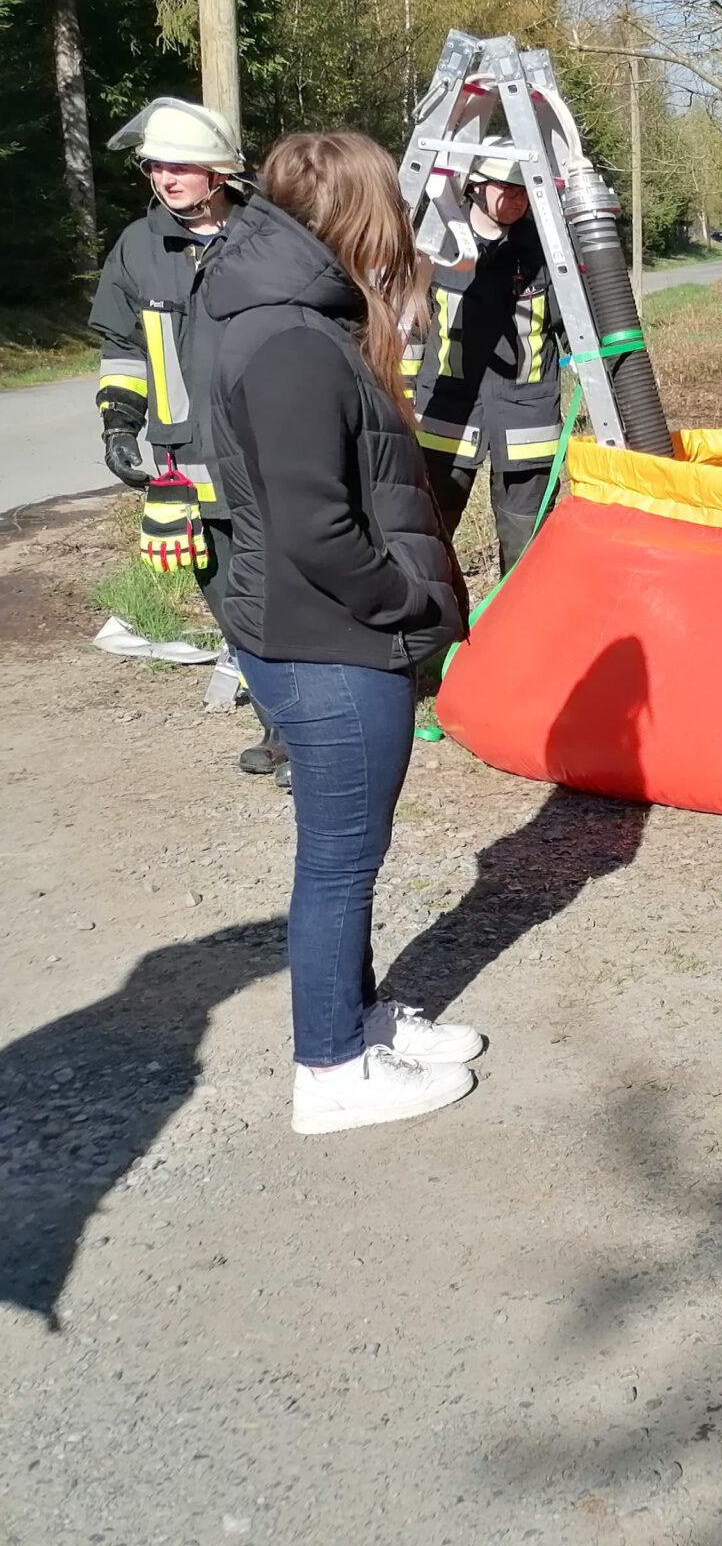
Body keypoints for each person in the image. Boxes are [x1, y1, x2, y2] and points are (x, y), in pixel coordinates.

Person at [204, 131, 479, 1136]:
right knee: (339, 861)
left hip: (320, 631)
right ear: (361, 217)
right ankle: (330, 1070)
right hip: (330, 641)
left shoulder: (293, 315)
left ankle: (359, 1021)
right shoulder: (288, 340)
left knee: (346, 853)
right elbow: (314, 526)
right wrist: (404, 602)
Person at [88, 97, 291, 782]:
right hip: (187, 463)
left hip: (272, 454)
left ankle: (314, 725)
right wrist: (119, 423)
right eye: (154, 166)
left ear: (219, 171)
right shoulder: (138, 246)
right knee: (228, 598)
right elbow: (123, 349)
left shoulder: (271, 235)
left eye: (179, 166)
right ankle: (279, 726)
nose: (164, 178)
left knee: (287, 591)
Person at [410, 151, 566, 573]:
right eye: (506, 187)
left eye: (524, 190)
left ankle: (518, 617)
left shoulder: (546, 249)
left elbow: (574, 328)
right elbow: (411, 332)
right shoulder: (437, 245)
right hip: (445, 419)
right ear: (475, 186)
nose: (517, 198)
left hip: (527, 424)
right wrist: (401, 403)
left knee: (528, 558)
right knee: (424, 545)